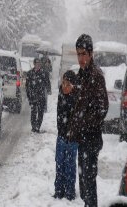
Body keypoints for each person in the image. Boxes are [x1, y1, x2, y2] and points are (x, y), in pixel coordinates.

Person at [68, 34, 109, 207]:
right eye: (78, 54)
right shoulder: (82, 74)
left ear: (91, 54)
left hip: (91, 138)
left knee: (89, 183)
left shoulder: (96, 75)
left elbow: (102, 109)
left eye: (84, 54)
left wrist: (83, 123)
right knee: (84, 184)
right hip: (82, 138)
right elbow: (81, 103)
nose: (81, 58)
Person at [54, 70, 78, 201]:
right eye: (63, 83)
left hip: (72, 138)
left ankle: (69, 192)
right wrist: (61, 131)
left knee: (69, 165)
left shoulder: (77, 99)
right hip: (61, 136)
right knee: (59, 163)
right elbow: (59, 115)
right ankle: (58, 190)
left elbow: (78, 120)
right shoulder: (61, 94)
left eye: (67, 84)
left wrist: (71, 133)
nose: (64, 86)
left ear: (73, 85)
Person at [25, 57, 51, 133]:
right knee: (33, 112)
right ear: (34, 64)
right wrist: (29, 95)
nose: (38, 65)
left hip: (41, 96)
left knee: (40, 112)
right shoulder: (30, 73)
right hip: (33, 96)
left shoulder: (44, 73)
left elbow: (47, 82)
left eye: (39, 64)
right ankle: (33, 127)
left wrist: (49, 90)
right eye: (37, 64)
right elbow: (27, 85)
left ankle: (38, 127)